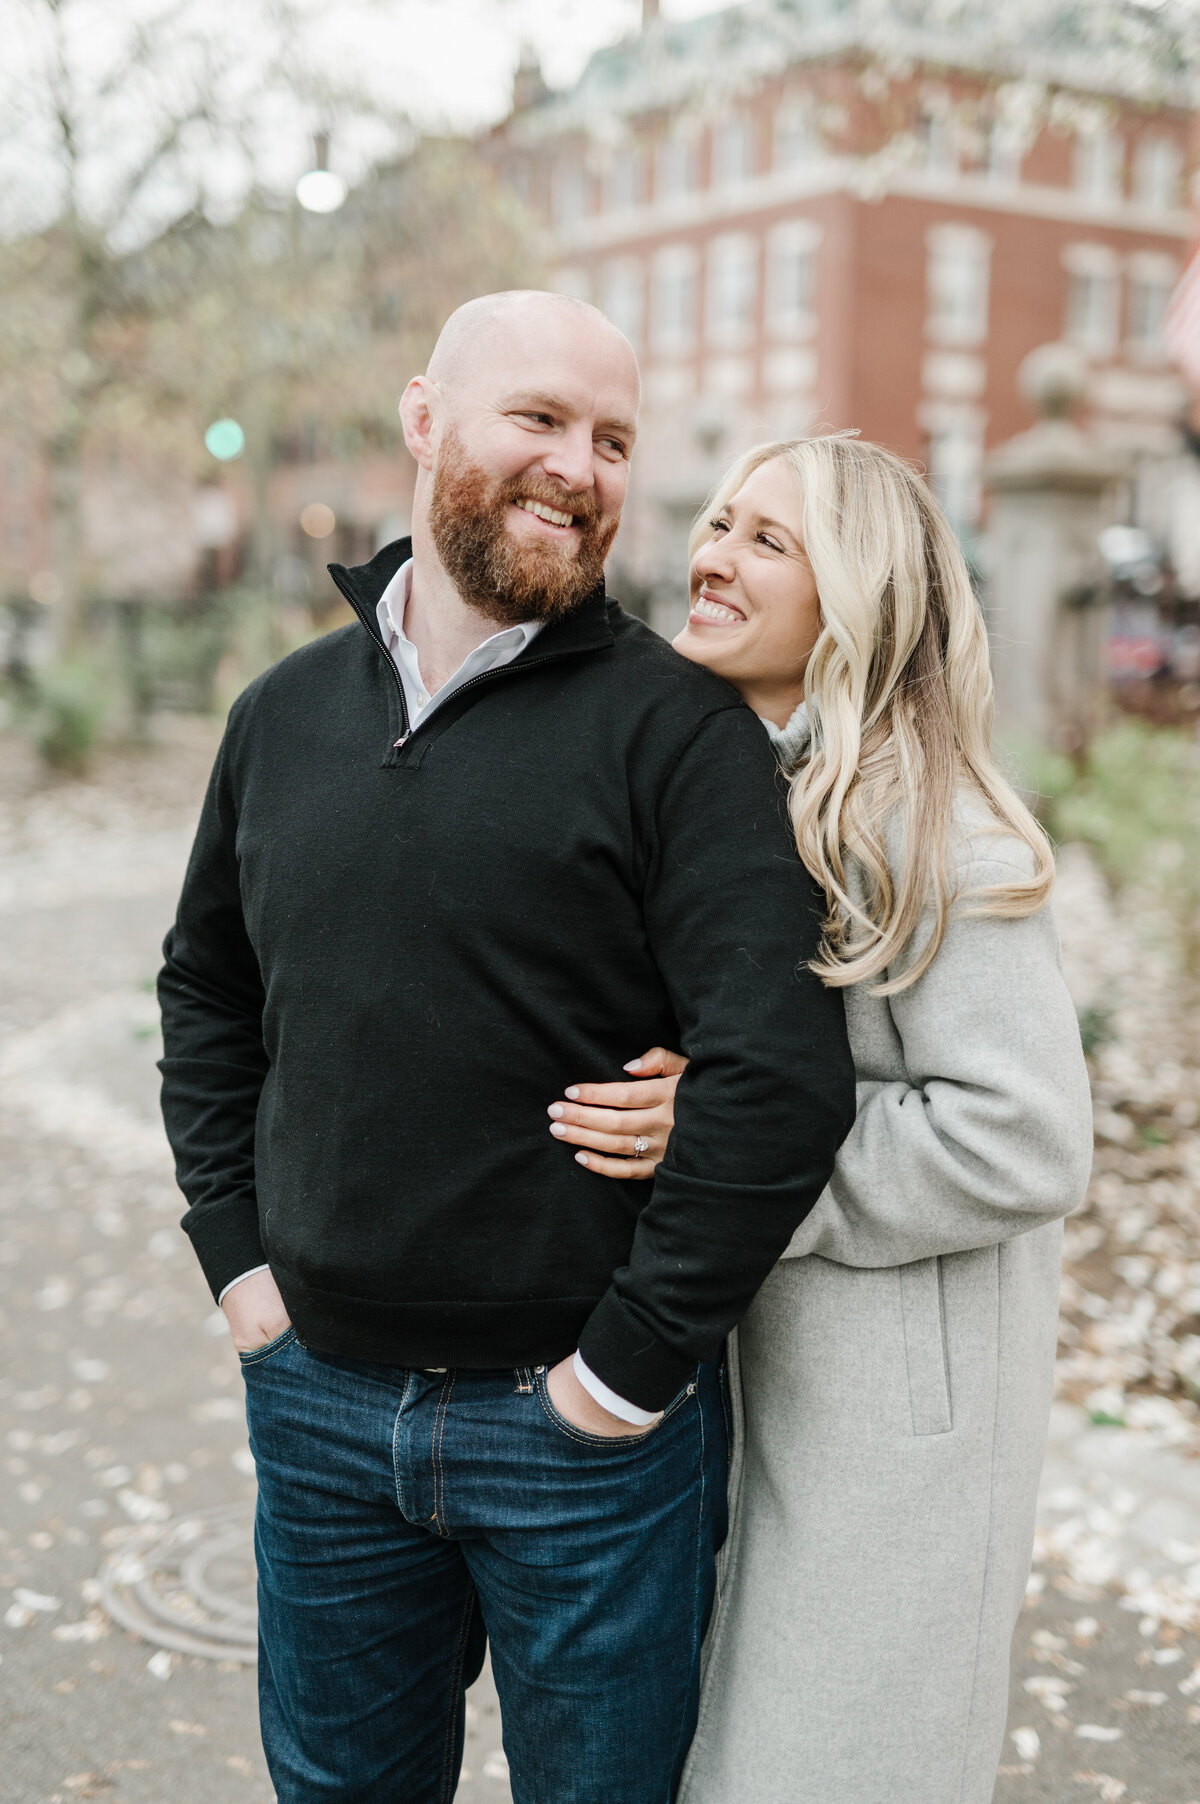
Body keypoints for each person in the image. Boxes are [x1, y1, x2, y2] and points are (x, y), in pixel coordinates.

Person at [157, 293, 856, 1804]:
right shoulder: (280, 718)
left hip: (585, 1439)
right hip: (322, 1401)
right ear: (426, 420)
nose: (579, 466)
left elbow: (780, 1074)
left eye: (612, 439)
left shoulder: (680, 737)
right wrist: (238, 1259)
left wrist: (629, 1373)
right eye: (537, 419)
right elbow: (206, 992)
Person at [544, 434, 1094, 1804]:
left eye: (769, 540)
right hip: (762, 1385)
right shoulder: (751, 790)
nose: (715, 555)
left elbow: (1024, 1135)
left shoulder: (929, 822)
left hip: (899, 1433)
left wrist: (737, 1149)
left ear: (855, 596)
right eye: (719, 522)